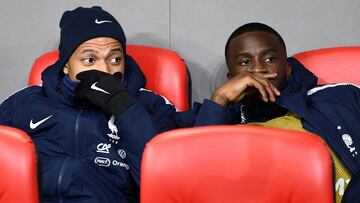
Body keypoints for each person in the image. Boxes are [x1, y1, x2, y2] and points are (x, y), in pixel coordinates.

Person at [0, 6, 232, 203]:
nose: (105, 70)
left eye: (114, 59)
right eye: (89, 59)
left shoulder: (147, 104)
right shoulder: (26, 101)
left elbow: (187, 168)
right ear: (66, 65)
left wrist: (123, 106)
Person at [211, 22, 360, 203]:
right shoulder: (218, 121)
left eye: (269, 59)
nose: (258, 69)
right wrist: (220, 99)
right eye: (245, 62)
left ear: (288, 69)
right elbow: (195, 178)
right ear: (230, 78)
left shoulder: (340, 97)